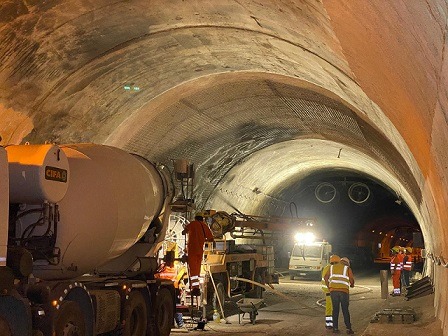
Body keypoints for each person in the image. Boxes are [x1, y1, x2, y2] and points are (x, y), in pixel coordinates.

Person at [183, 214, 214, 296]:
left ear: (195, 218)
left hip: (192, 250)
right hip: (200, 251)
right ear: (202, 219)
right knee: (197, 269)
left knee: (193, 270)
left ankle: (195, 288)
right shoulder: (204, 226)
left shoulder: (192, 224)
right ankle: (196, 288)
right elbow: (211, 239)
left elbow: (184, 231)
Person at [324, 256, 355, 334]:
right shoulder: (347, 268)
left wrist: (329, 287)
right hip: (343, 292)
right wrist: (352, 285)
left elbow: (325, 277)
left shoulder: (331, 267)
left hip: (333, 291)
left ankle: (335, 328)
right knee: (345, 310)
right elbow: (351, 279)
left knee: (335, 310)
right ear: (347, 263)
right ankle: (348, 328)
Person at [322, 254, 341, 330]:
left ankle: (329, 324)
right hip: (331, 291)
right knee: (333, 308)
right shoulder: (332, 269)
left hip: (328, 291)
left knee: (329, 308)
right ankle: (331, 324)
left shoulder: (327, 268)